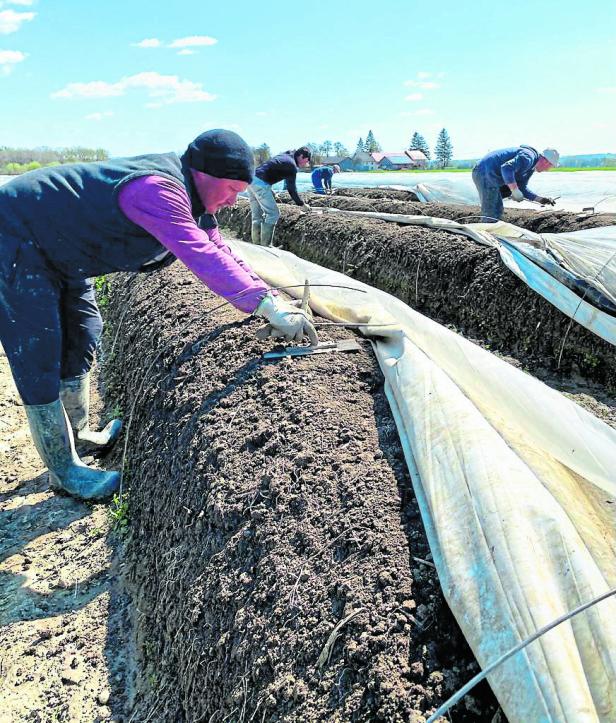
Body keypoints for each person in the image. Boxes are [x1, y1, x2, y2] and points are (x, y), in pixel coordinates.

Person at [0, 129, 318, 501]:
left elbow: (219, 249)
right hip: (15, 240)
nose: (233, 201)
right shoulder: (156, 189)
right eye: (232, 189)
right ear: (207, 176)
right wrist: (265, 306)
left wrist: (273, 299)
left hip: (59, 253)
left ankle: (80, 432)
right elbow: (199, 255)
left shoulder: (193, 194)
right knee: (39, 350)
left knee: (85, 330)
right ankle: (63, 471)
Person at [472, 146, 559, 222]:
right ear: (546, 161)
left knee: (497, 209)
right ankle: (486, 233)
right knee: (492, 210)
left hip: (491, 175)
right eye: (551, 166)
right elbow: (506, 168)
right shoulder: (528, 157)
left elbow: (522, 187)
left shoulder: (530, 168)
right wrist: (514, 190)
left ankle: (490, 230)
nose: (548, 170)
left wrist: (540, 199)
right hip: (484, 171)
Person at [246, 147, 312, 247]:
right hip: (260, 184)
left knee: (257, 215)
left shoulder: (285, 156)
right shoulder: (291, 165)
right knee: (273, 214)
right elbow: (292, 189)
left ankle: (256, 245)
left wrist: (270, 190)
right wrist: (301, 204)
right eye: (305, 161)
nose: (304, 164)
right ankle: (266, 245)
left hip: (251, 180)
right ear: (301, 156)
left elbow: (268, 170)